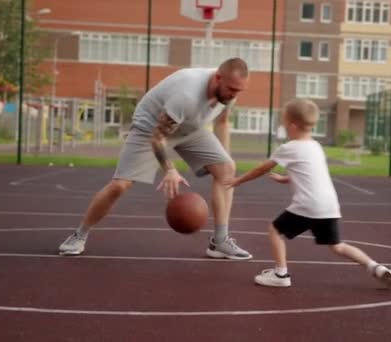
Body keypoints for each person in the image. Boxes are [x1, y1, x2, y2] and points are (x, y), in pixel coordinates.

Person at [58, 58, 252, 260]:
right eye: (232, 89)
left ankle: (220, 241)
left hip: (189, 128)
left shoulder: (229, 92)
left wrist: (224, 154)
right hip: (150, 129)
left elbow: (222, 122)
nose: (234, 95)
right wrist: (169, 169)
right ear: (218, 77)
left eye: (239, 91)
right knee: (119, 185)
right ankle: (78, 235)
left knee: (227, 169)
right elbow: (158, 137)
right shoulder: (186, 94)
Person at [224, 99, 391, 288]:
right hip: (329, 205)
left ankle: (281, 275)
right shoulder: (315, 146)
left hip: (308, 204)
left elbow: (260, 169)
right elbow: (310, 172)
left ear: (291, 125)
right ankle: (375, 267)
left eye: (283, 122)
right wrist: (286, 179)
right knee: (337, 246)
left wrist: (237, 180)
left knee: (275, 231)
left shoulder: (289, 147)